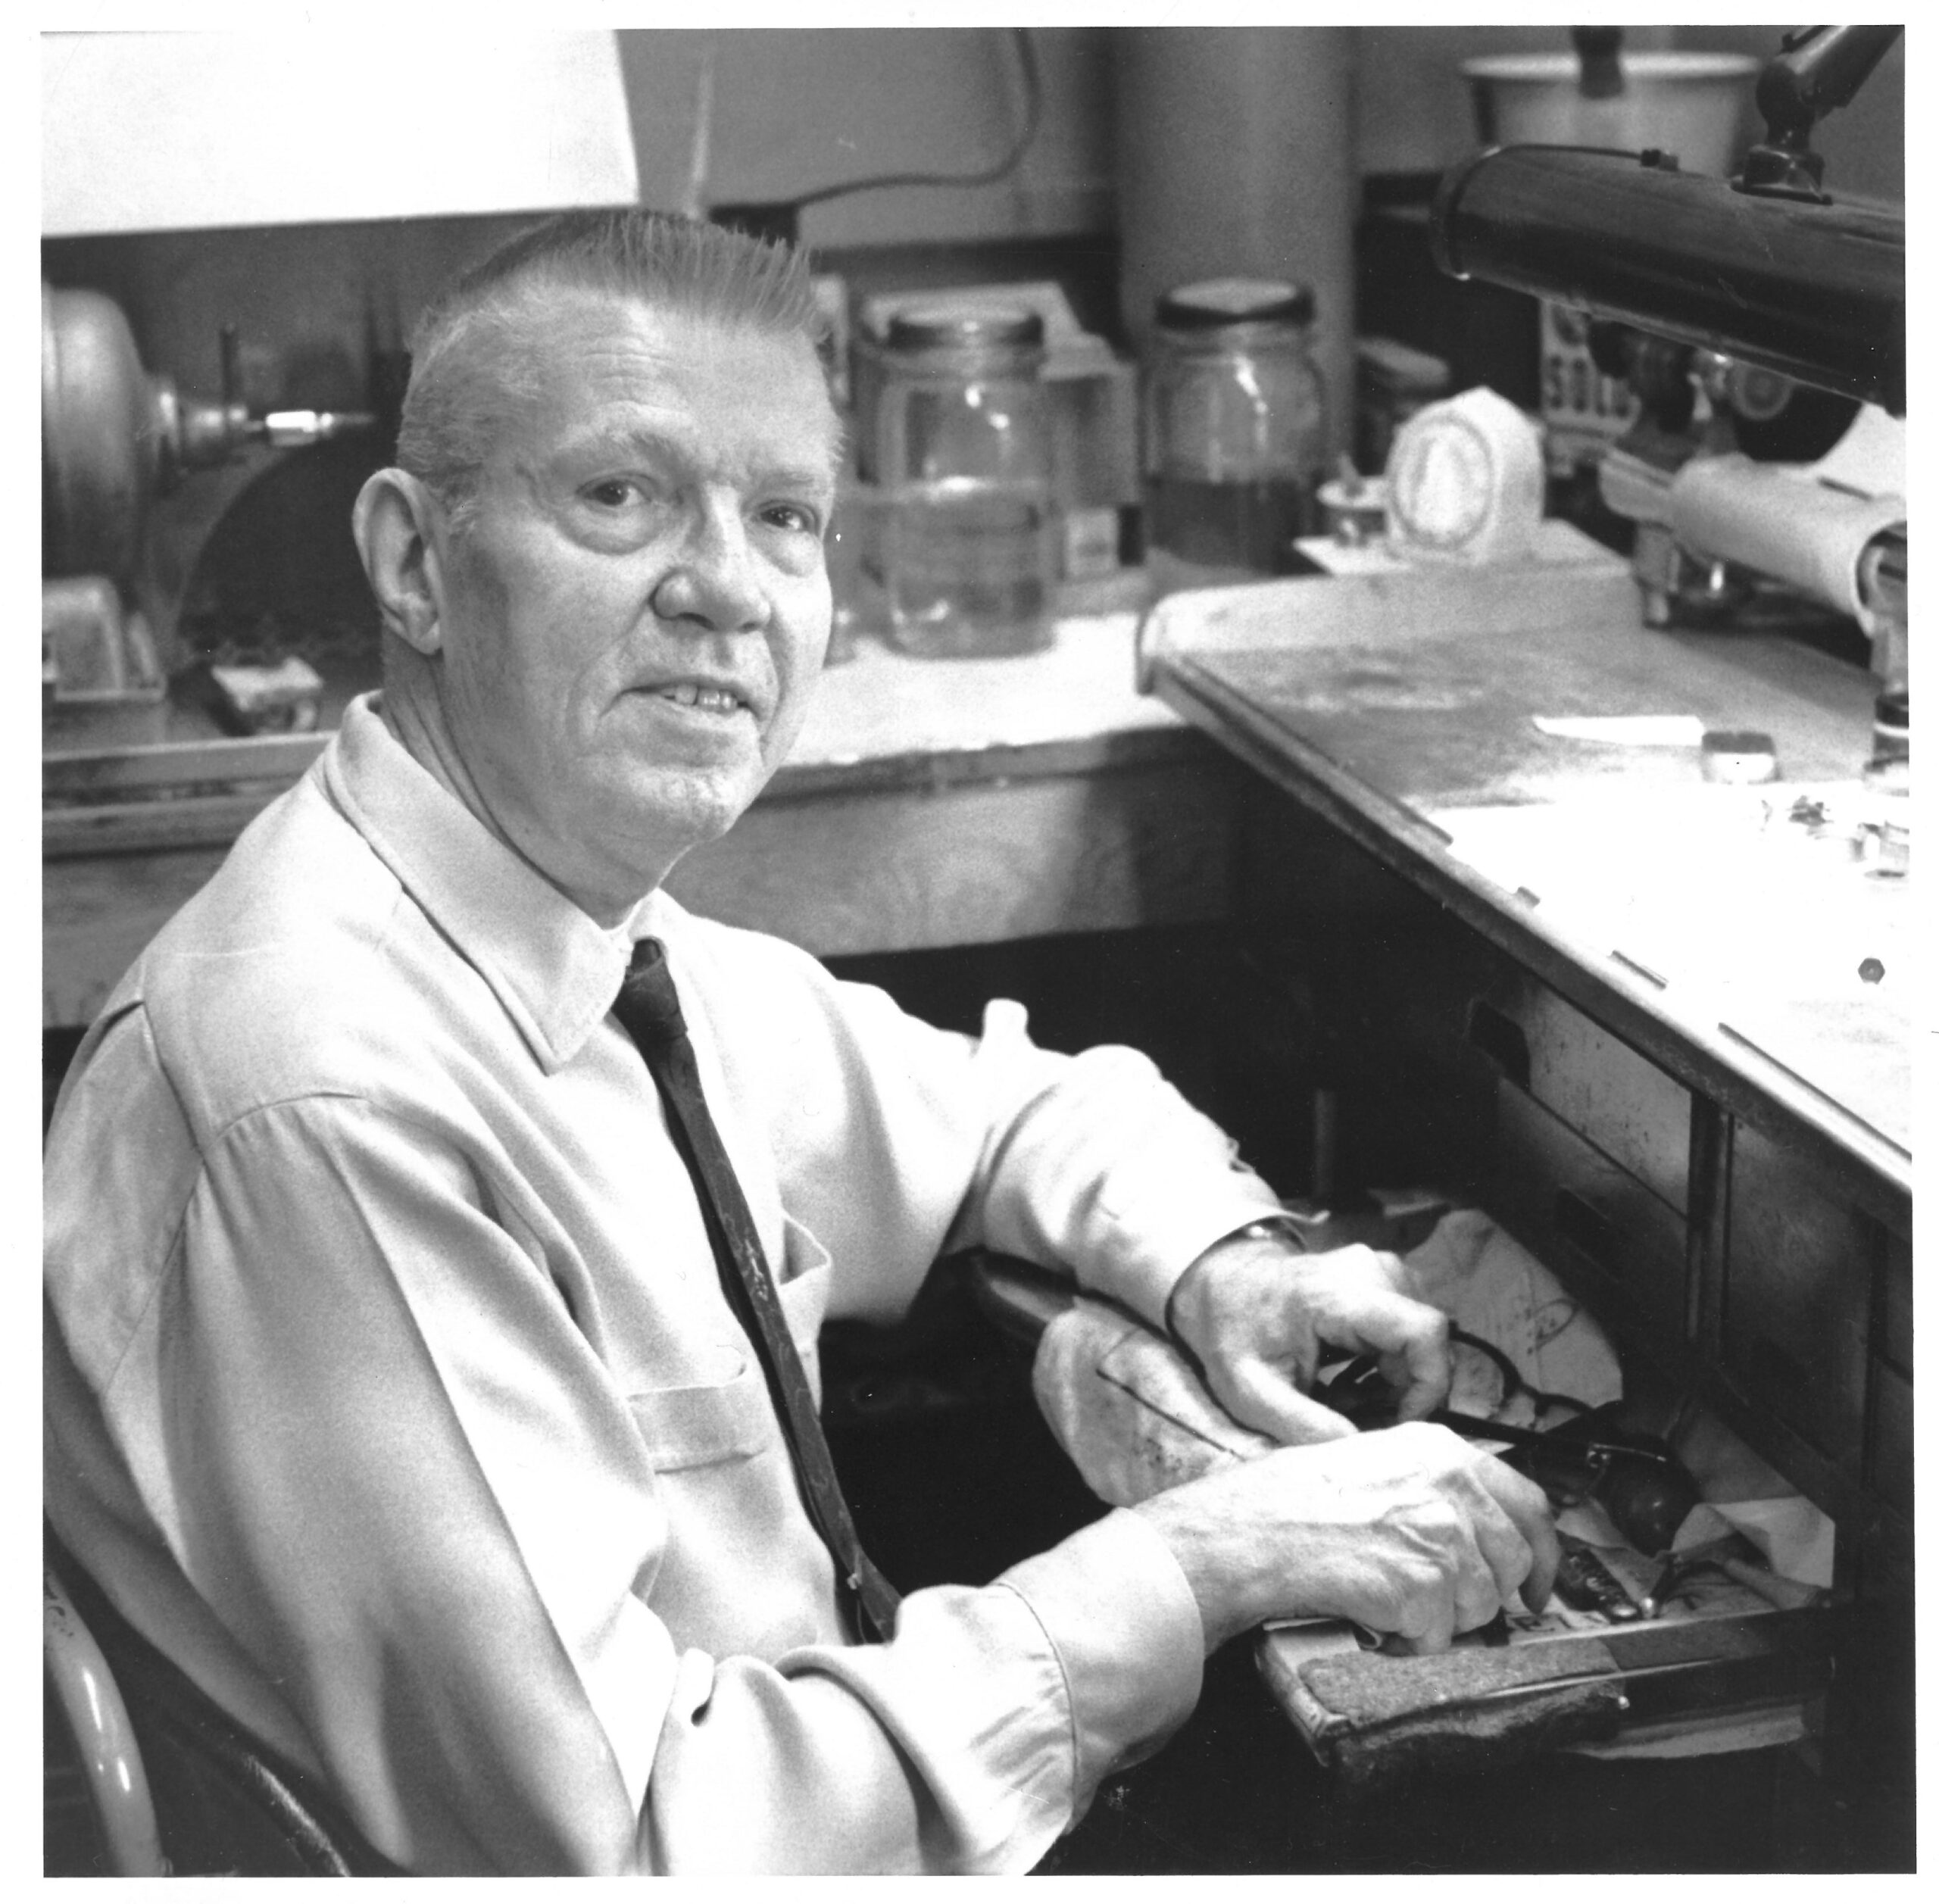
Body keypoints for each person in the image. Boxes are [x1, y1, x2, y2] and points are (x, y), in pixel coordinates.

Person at [43, 211, 1558, 1876]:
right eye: (618, 498)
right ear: (414, 563)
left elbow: (990, 1115)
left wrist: (1219, 1264)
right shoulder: (330, 1097)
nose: (723, 591)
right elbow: (637, 1851)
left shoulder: (572, 930)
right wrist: (1203, 1563)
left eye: (783, 517)